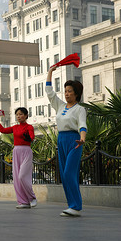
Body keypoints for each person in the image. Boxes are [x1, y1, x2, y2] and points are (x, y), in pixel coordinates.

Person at [47, 66, 87, 217]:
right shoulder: (60, 106)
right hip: (61, 139)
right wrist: (50, 72)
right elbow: (50, 93)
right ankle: (71, 205)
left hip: (75, 140)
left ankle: (76, 206)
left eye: (70, 91)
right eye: (65, 91)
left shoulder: (79, 109)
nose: (67, 93)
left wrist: (82, 139)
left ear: (76, 93)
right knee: (64, 175)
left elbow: (82, 125)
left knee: (70, 172)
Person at [0, 108, 37, 209]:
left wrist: (29, 138)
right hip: (16, 151)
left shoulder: (29, 127)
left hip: (26, 151)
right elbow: (3, 130)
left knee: (22, 176)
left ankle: (32, 198)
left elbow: (32, 136)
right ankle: (23, 201)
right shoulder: (15, 127)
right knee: (17, 178)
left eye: (21, 114)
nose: (18, 116)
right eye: (17, 114)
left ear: (26, 115)